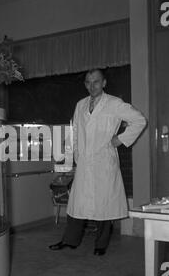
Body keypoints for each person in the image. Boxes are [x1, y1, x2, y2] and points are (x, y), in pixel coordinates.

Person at [49, 68, 147, 256]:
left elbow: (139, 120)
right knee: (77, 204)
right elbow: (76, 131)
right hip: (85, 162)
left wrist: (120, 139)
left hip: (104, 160)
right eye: (88, 82)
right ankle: (70, 240)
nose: (91, 86)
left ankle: (101, 244)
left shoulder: (115, 104)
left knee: (104, 205)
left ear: (104, 83)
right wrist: (76, 154)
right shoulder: (80, 105)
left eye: (96, 82)